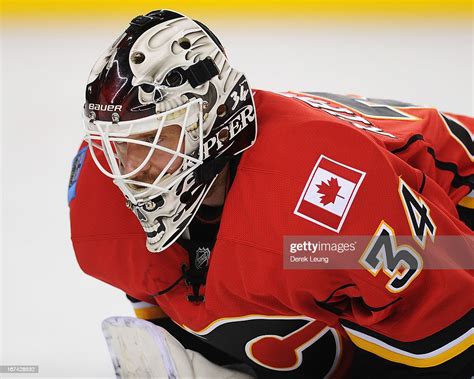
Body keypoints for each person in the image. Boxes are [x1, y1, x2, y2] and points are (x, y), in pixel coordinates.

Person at [69, 9, 473, 378]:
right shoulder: (101, 188)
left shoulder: (323, 199)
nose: (128, 169)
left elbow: (450, 334)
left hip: (457, 214)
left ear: (212, 121)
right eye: (119, 145)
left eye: (154, 140)